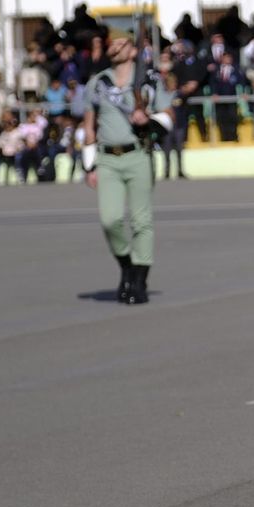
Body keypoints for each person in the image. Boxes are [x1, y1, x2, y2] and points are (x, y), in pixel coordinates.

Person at [83, 28, 171, 305]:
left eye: (121, 44)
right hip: (107, 158)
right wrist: (89, 166)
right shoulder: (98, 82)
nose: (115, 48)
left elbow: (168, 115)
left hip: (138, 155)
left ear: (133, 50)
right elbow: (89, 125)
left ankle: (140, 280)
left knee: (142, 221)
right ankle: (126, 265)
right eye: (113, 44)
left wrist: (147, 118)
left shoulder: (148, 81)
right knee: (110, 220)